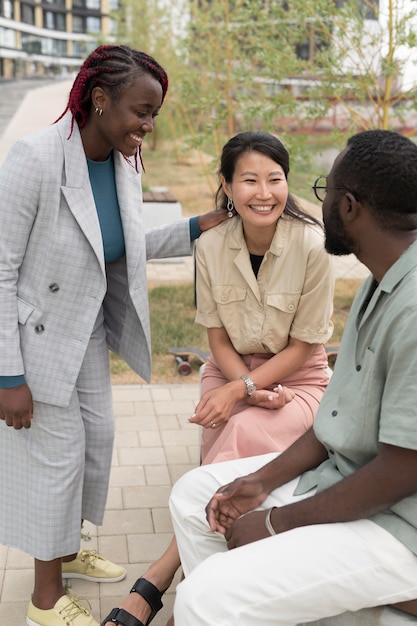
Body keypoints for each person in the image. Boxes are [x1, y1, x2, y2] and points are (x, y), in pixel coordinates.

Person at [0, 44, 227, 626]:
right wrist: (8, 375)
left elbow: (126, 244)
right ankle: (45, 599)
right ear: (99, 101)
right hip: (36, 339)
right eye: (140, 112)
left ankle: (69, 552)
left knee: (96, 440)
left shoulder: (123, 163)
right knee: (57, 458)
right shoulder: (35, 157)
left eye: (154, 114)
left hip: (86, 329)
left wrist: (205, 223)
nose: (147, 127)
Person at [166, 129, 417, 625]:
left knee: (203, 598)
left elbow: (402, 470)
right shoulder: (380, 282)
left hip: (399, 523)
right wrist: (259, 482)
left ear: (347, 207)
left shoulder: (411, 306)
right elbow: (336, 421)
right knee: (198, 497)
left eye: (323, 191)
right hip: (348, 479)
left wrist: (277, 524)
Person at [101, 131, 334, 626]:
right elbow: (219, 342)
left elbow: (304, 348)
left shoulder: (312, 244)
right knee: (223, 428)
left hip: (300, 379)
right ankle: (208, 584)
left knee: (238, 431)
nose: (265, 192)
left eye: (275, 179)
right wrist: (239, 387)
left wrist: (245, 392)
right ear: (227, 186)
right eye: (250, 180)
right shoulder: (209, 245)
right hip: (228, 370)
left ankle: (165, 579)